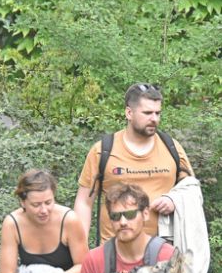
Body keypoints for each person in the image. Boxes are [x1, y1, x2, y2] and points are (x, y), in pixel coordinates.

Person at [74, 83, 193, 244]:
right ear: (129, 113)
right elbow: (84, 203)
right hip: (113, 251)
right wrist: (80, 248)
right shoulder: (103, 150)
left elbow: (192, 192)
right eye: (147, 113)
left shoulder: (172, 148)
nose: (154, 119)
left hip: (163, 251)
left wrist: (174, 200)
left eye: (157, 113)